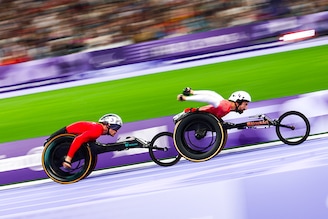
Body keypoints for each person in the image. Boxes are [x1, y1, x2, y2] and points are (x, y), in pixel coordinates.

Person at [45, 113, 123, 169]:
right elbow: (78, 139)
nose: (116, 131)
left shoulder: (98, 129)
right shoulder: (97, 130)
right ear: (108, 125)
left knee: (96, 148)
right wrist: (68, 159)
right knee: (96, 148)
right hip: (62, 140)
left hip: (64, 135)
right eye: (116, 128)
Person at [175, 87, 251, 119]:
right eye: (245, 104)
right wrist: (186, 98)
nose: (246, 108)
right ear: (238, 102)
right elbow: (209, 98)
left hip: (199, 116)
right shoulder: (224, 106)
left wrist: (193, 92)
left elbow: (212, 93)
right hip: (190, 114)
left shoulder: (226, 105)